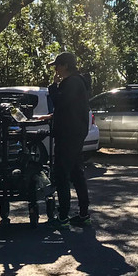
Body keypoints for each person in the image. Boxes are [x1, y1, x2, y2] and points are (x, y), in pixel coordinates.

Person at [46, 52, 91, 225]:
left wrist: (53, 87)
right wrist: (52, 117)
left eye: (57, 65)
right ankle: (83, 214)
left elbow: (60, 102)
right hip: (76, 133)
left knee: (61, 174)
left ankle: (63, 216)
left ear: (65, 66)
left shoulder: (71, 82)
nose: (55, 69)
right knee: (76, 173)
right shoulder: (79, 82)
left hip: (68, 134)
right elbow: (69, 108)